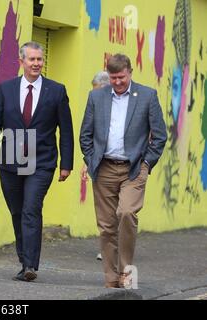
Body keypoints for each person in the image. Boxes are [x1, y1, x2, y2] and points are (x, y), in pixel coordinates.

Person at [0, 41, 74, 282]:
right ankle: (24, 261)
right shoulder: (6, 89)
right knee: (17, 211)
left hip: (42, 162)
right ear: (21, 61)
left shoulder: (56, 90)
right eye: (31, 59)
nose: (36, 63)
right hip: (10, 162)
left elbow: (66, 130)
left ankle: (31, 265)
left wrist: (67, 163)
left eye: (39, 59)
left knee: (31, 209)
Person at [79, 54, 167, 288]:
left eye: (122, 77)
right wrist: (90, 159)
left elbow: (159, 136)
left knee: (126, 213)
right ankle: (111, 278)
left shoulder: (147, 96)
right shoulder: (96, 97)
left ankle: (126, 271)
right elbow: (85, 135)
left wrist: (146, 165)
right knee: (107, 226)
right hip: (104, 168)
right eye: (113, 77)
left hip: (134, 169)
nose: (118, 82)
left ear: (130, 72)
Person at [80, 71, 110, 262]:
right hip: (100, 163)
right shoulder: (96, 103)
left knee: (121, 210)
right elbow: (88, 134)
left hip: (124, 164)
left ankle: (116, 248)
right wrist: (88, 160)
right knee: (105, 210)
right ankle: (108, 248)